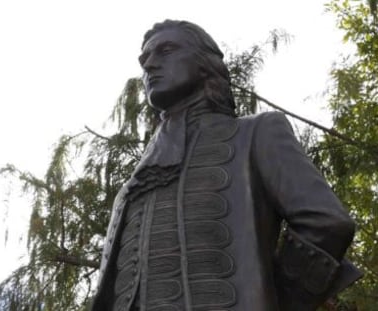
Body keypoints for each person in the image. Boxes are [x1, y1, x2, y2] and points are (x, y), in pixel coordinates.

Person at [91, 20, 361, 311]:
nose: (150, 65)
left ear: (204, 63)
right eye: (144, 59)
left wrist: (271, 296)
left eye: (166, 50)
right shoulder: (132, 187)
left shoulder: (256, 133)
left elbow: (326, 223)